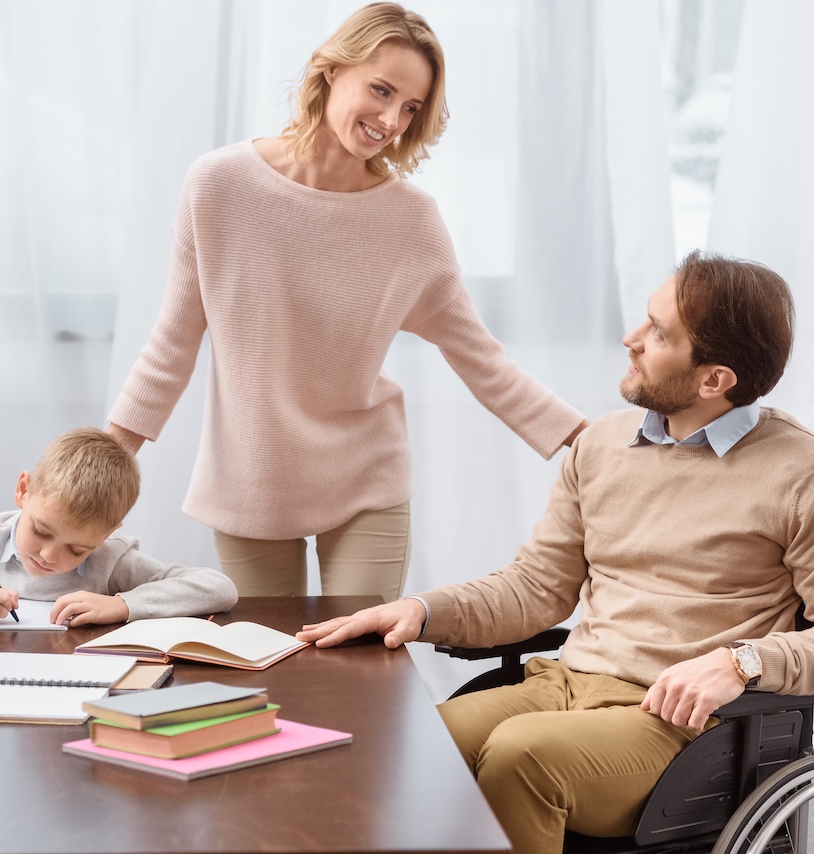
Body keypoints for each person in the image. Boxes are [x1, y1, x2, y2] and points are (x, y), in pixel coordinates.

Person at [297, 251, 814, 854]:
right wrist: (423, 611)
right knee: (422, 744)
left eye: (659, 334)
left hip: (681, 726)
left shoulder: (807, 475)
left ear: (714, 380)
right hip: (564, 683)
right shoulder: (603, 445)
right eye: (645, 319)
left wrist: (741, 663)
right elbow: (536, 587)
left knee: (520, 756)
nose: (631, 340)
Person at [107, 2, 587, 603]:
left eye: (410, 108)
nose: (391, 120)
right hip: (252, 475)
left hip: (366, 477)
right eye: (381, 90)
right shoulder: (219, 184)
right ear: (332, 70)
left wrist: (585, 439)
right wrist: (101, 464)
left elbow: (482, 360)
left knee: (358, 677)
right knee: (266, 672)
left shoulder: (411, 221)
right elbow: (173, 340)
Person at [0, 427, 237, 625]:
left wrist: (122, 605)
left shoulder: (111, 559)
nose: (48, 555)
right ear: (24, 490)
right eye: (40, 530)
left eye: (76, 550)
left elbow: (218, 588)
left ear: (107, 534)